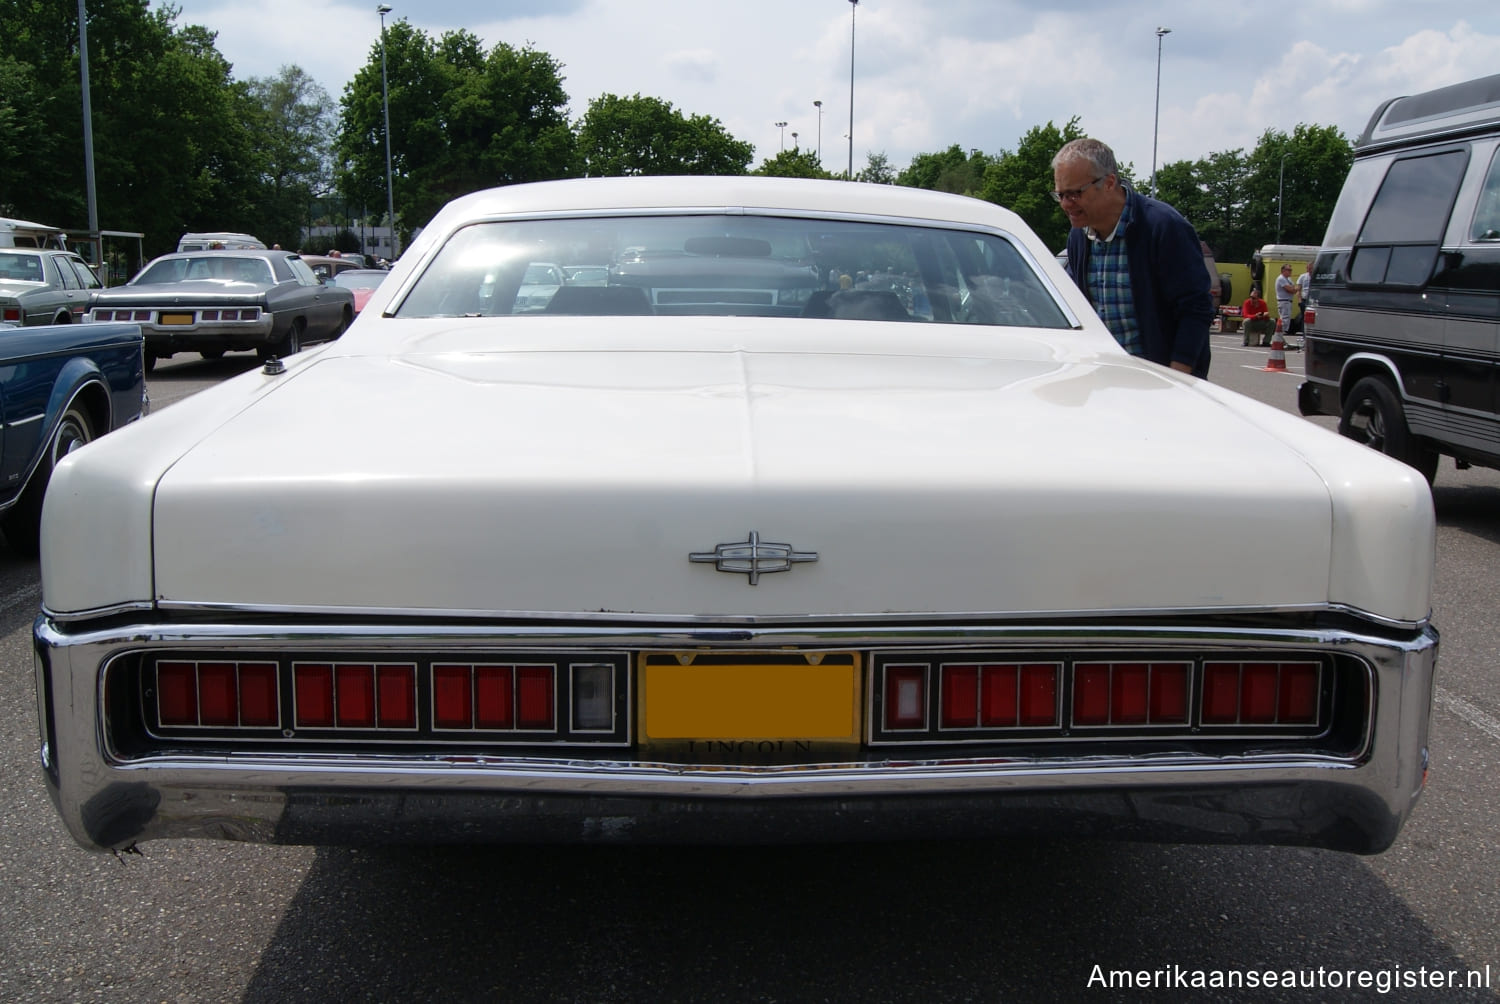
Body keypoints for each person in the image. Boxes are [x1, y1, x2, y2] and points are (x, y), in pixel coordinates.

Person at [1052, 138, 1213, 378]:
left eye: (1074, 194)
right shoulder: (1078, 237)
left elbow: (1196, 308)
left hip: (1159, 384)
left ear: (1108, 183)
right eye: (1060, 195)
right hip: (1102, 380)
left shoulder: (1164, 228)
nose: (1066, 204)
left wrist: (1178, 379)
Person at [1274, 263, 1297, 341]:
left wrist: (1293, 289)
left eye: (1291, 270)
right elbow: (1290, 289)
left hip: (1288, 301)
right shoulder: (1281, 279)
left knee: (1286, 320)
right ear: (1283, 270)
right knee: (1284, 320)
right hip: (1283, 301)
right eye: (1289, 270)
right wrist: (1295, 289)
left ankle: (1280, 339)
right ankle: (1278, 338)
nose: (1290, 271)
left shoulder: (1289, 279)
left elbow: (1293, 289)